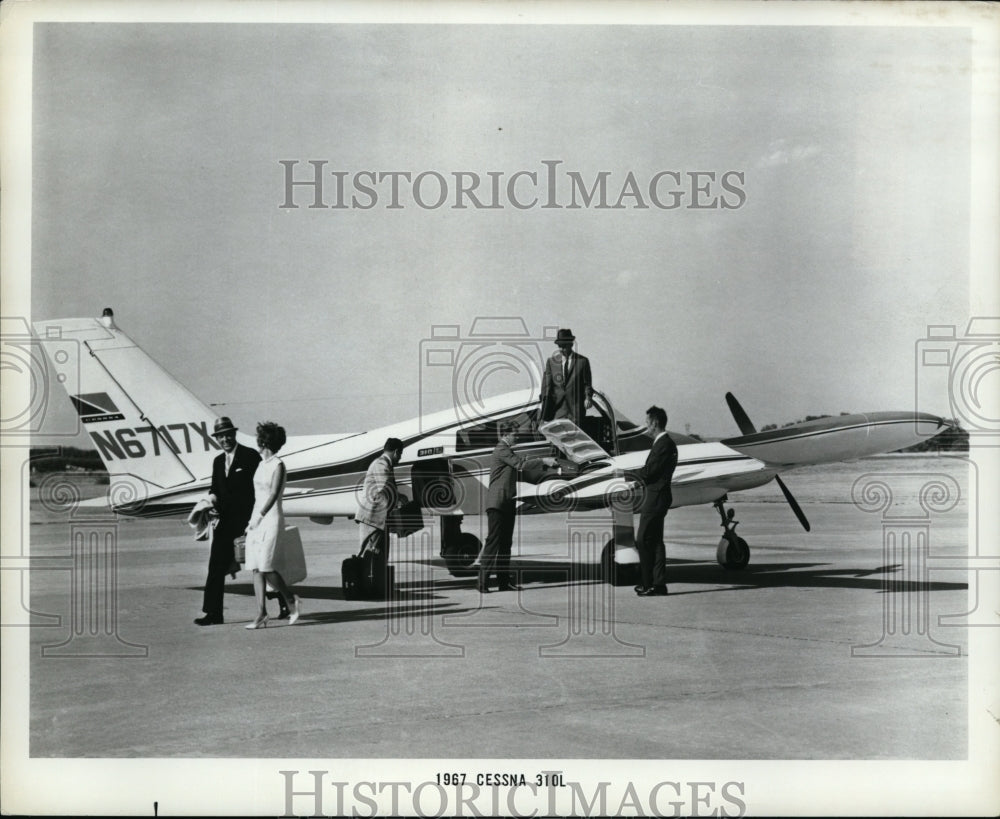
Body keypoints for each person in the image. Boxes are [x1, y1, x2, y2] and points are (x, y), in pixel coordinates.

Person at [195, 417, 260, 626]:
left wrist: (255, 520)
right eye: (221, 436)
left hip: (247, 521)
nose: (225, 439)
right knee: (215, 566)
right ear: (217, 439)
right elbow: (215, 488)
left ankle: (283, 603)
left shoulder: (250, 456)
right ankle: (213, 613)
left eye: (228, 434)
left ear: (235, 434)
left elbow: (260, 488)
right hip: (224, 521)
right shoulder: (217, 461)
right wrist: (210, 502)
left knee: (261, 565)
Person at [478, 421, 557, 593]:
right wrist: (543, 460)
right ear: (505, 435)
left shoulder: (508, 451)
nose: (517, 438)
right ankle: (482, 582)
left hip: (507, 502)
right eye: (515, 435)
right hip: (498, 503)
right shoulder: (502, 449)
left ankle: (503, 583)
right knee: (494, 542)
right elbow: (520, 465)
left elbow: (519, 467)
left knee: (505, 543)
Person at [244, 421, 302, 629]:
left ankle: (290, 600)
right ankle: (261, 613)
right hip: (256, 519)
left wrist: (259, 516)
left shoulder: (278, 465)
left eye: (259, 438)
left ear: (264, 441)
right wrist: (252, 520)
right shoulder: (261, 465)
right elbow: (258, 495)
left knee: (267, 567)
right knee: (255, 568)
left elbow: (274, 493)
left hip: (270, 519)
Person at [628, 405, 678, 597]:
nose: (646, 426)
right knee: (656, 541)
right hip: (658, 496)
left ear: (655, 423)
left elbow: (650, 472)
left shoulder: (664, 445)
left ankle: (648, 583)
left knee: (643, 539)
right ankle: (658, 584)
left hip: (656, 498)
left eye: (648, 423)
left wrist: (627, 475)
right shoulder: (663, 444)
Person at [355, 437, 405, 590]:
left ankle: (374, 583)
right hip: (373, 517)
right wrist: (399, 499)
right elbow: (385, 488)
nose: (400, 458)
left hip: (378, 517)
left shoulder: (383, 464)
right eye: (400, 454)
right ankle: (365, 584)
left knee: (378, 552)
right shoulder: (381, 464)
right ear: (396, 452)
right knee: (371, 550)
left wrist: (400, 497)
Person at [539, 328, 594, 426]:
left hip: (576, 412)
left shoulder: (583, 361)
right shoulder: (551, 362)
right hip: (557, 411)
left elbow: (587, 384)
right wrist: (544, 411)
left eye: (564, 346)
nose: (561, 349)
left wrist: (588, 398)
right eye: (559, 346)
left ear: (571, 344)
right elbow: (546, 387)